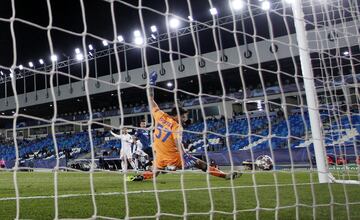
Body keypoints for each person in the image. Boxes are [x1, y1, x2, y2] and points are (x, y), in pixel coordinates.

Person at [128, 71, 241, 181]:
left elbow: (150, 99)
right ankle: (225, 176)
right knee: (200, 164)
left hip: (160, 156)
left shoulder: (159, 115)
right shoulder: (177, 126)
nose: (185, 120)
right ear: (178, 115)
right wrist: (185, 155)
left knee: (155, 171)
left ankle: (141, 177)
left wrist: (151, 84)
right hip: (174, 157)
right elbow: (178, 142)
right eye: (183, 117)